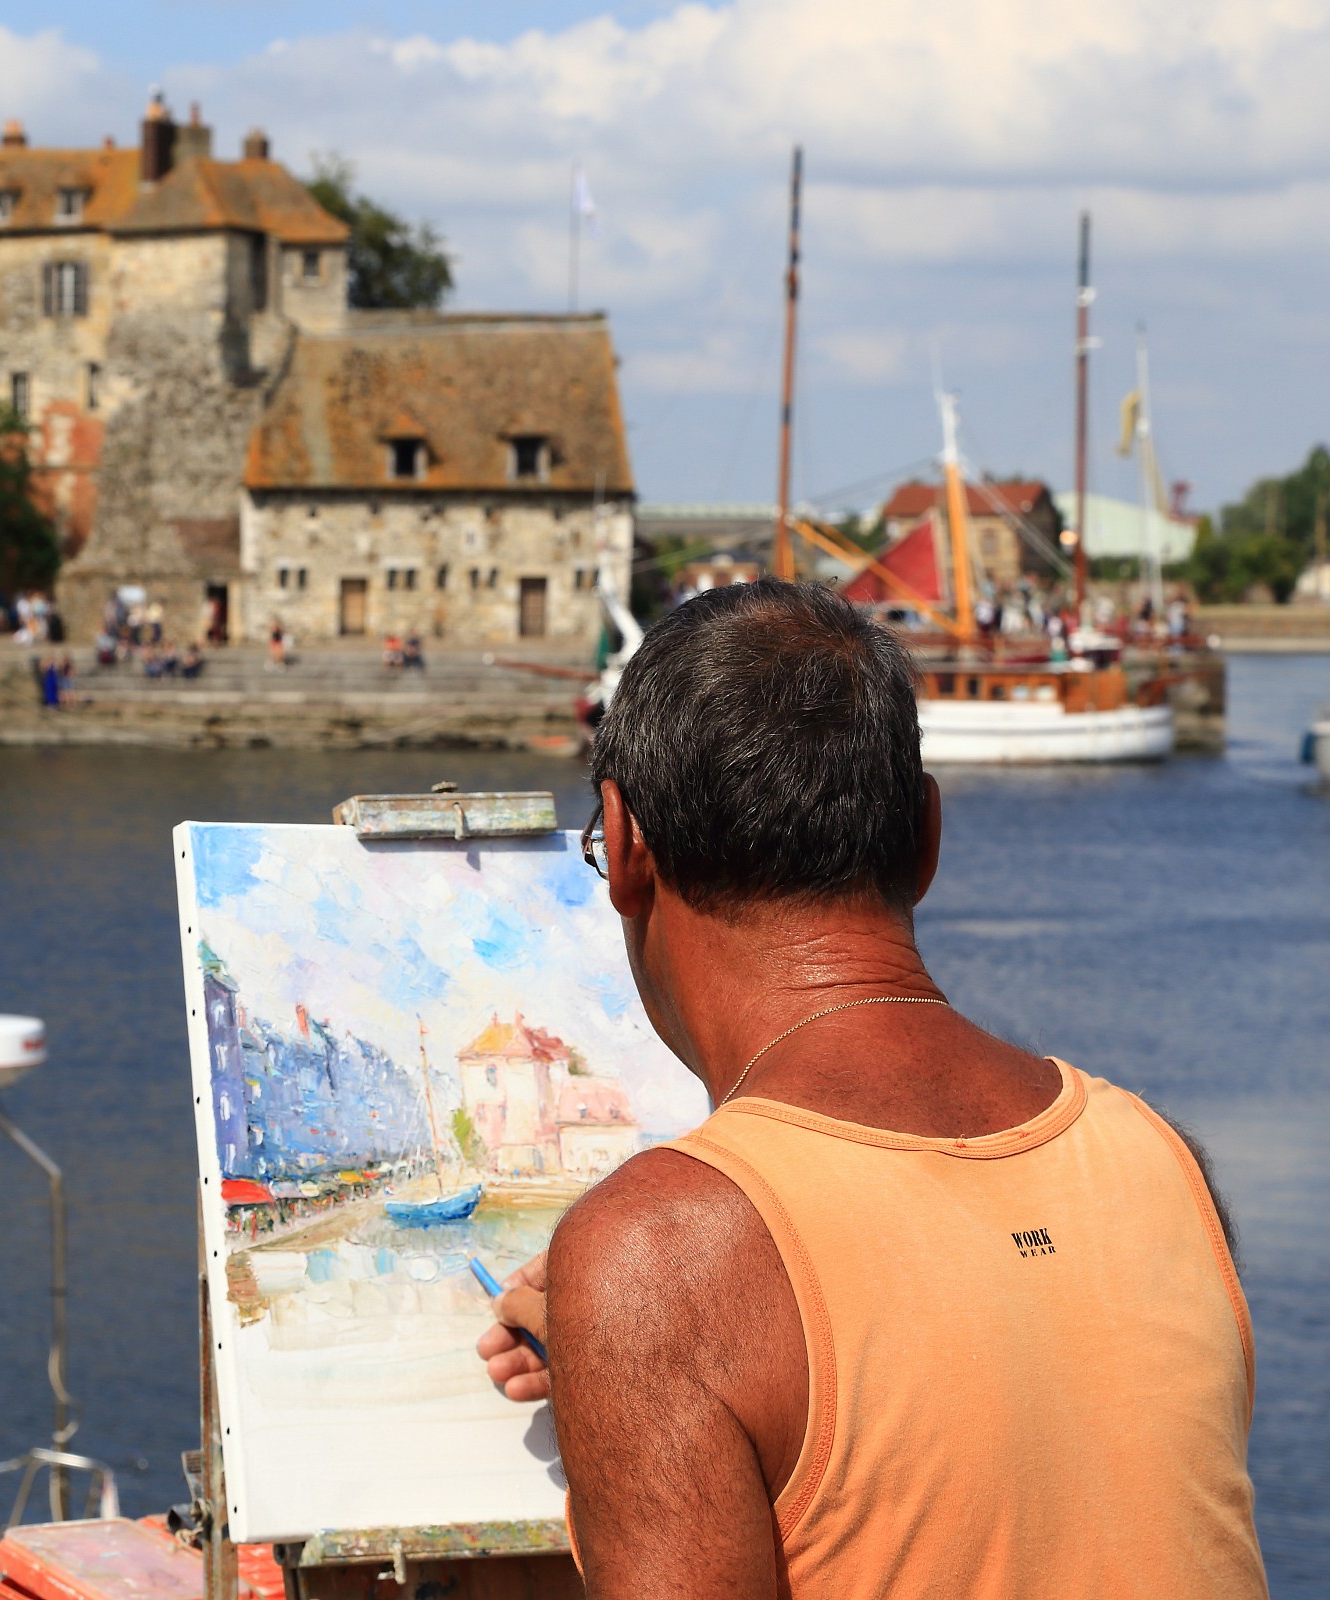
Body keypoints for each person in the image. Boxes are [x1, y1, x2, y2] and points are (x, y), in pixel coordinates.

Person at [477, 579, 1264, 1599]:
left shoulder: (656, 1255)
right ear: (927, 839)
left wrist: (626, 1313)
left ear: (625, 847)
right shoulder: (1161, 1161)